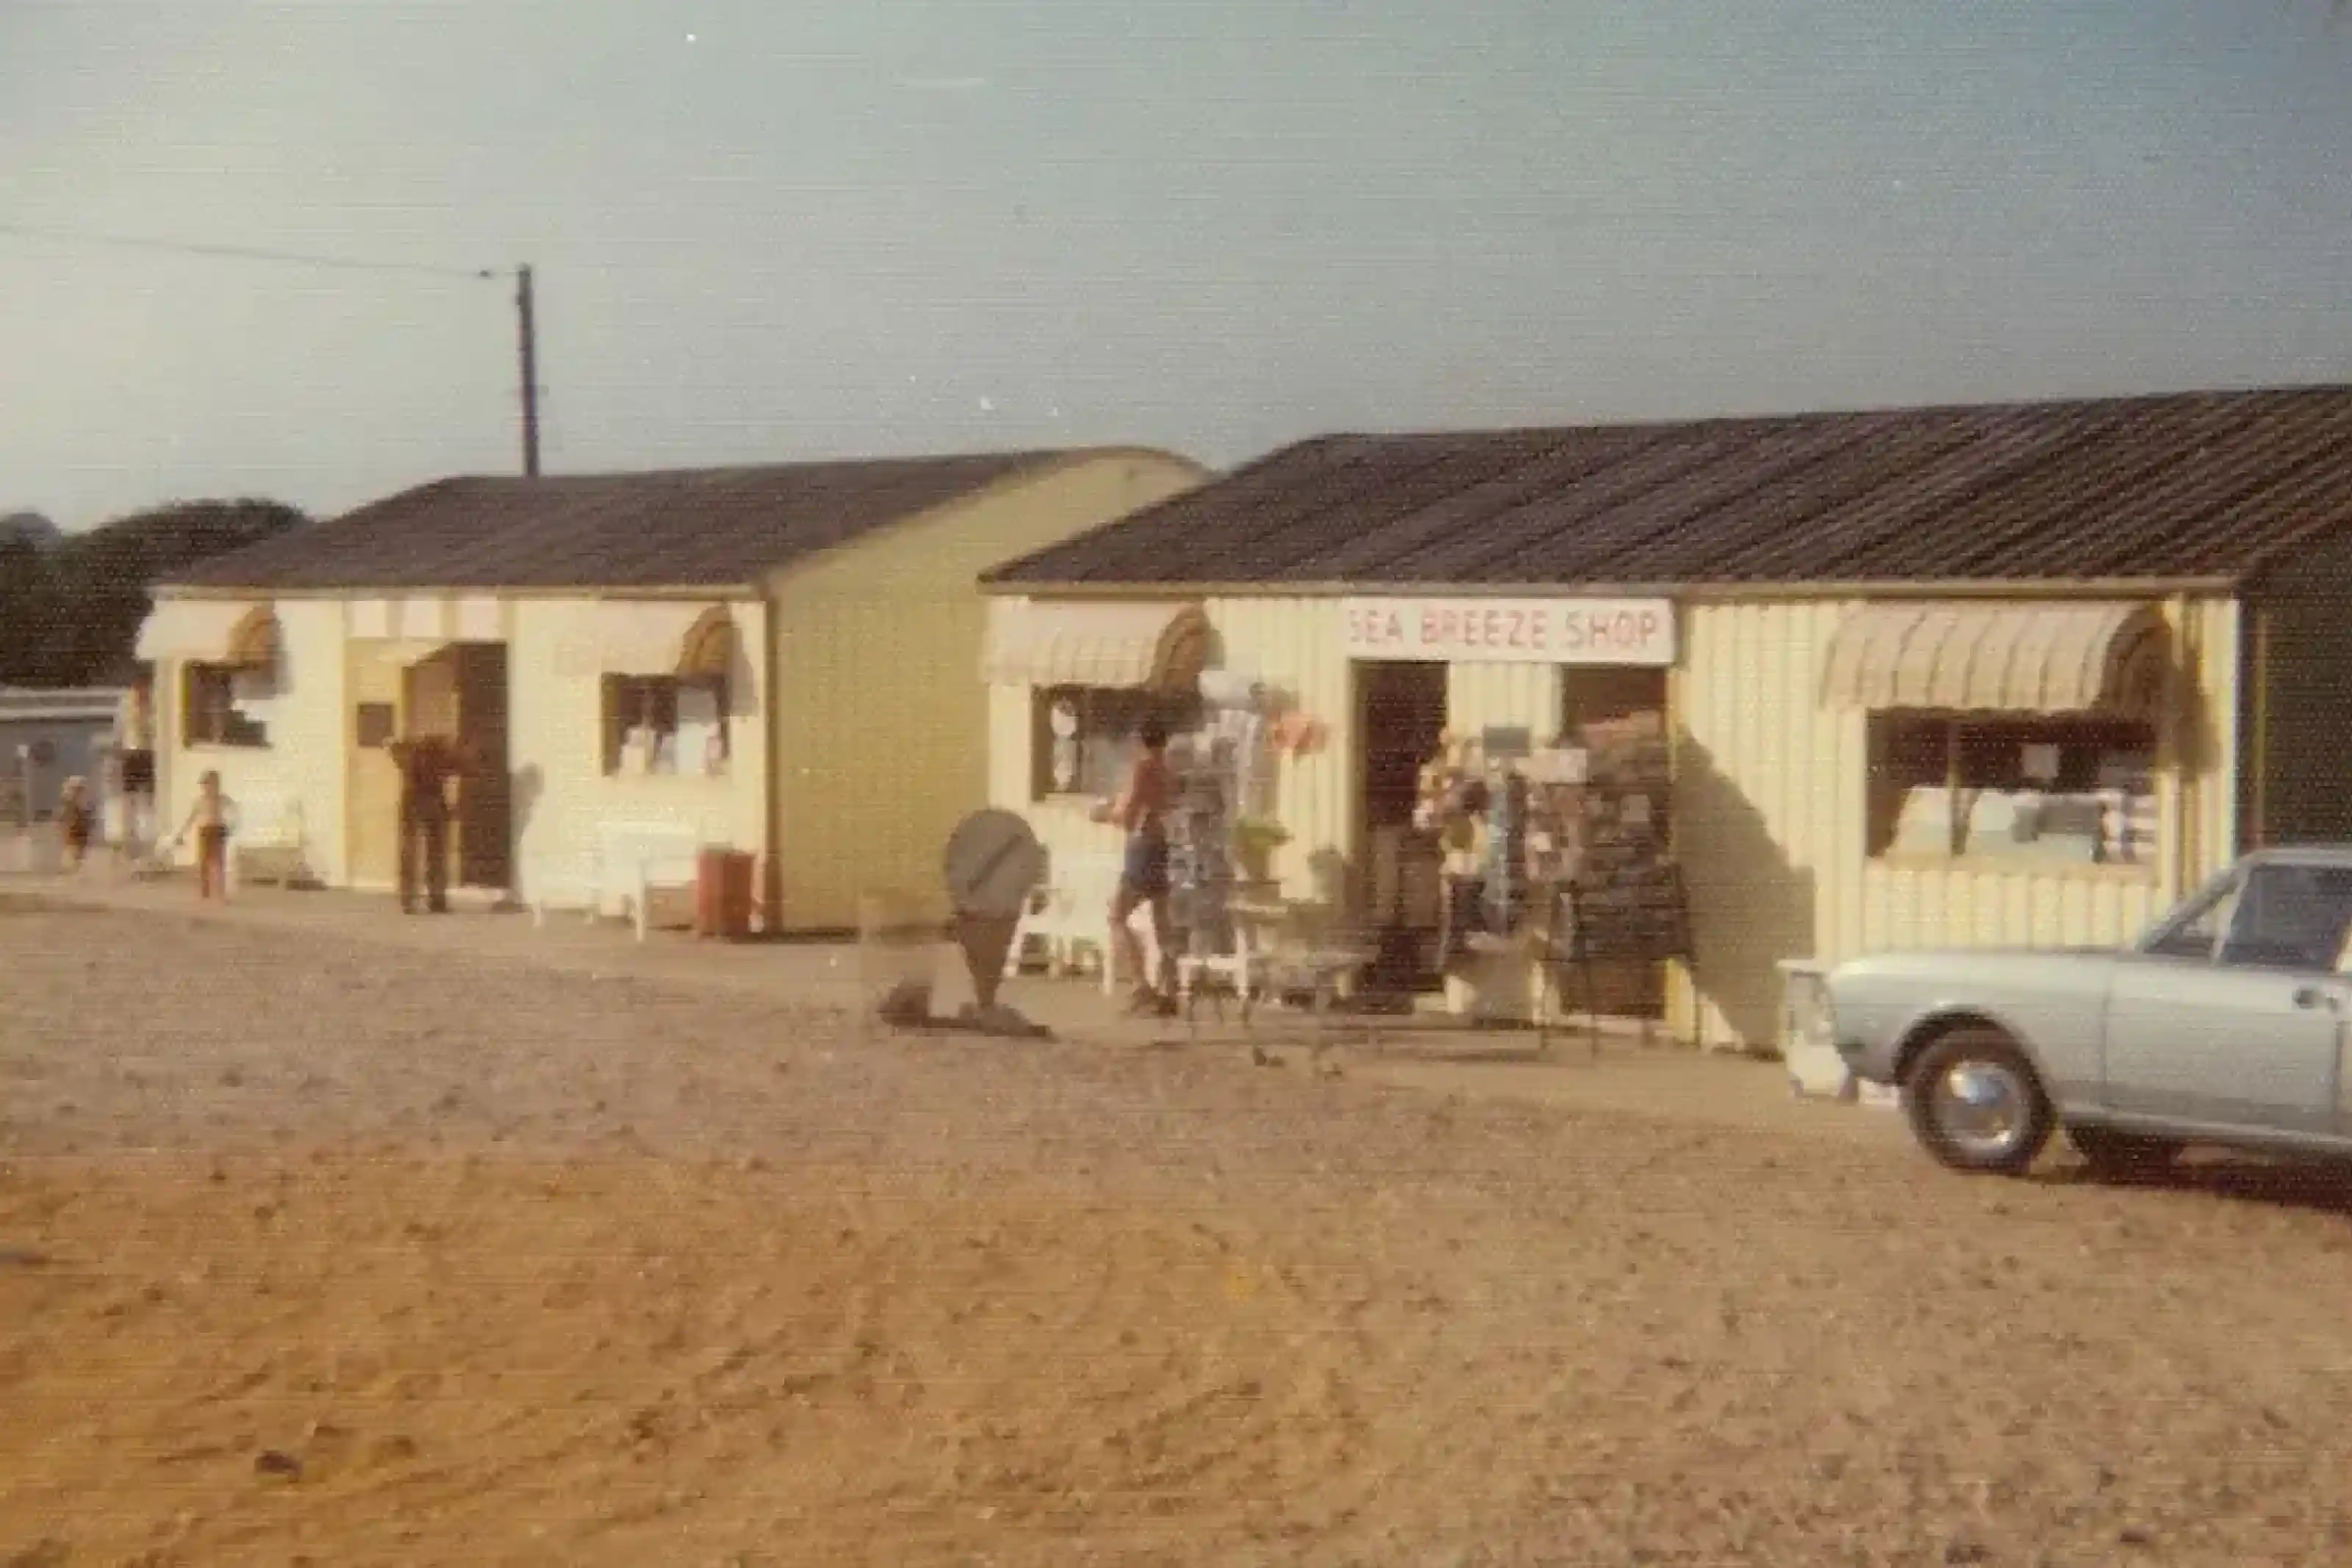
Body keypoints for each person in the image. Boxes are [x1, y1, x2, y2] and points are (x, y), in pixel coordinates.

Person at [1096, 714, 1178, 1015]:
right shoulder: (1168, 772)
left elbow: (1127, 814)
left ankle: (1140, 983)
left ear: (1140, 741)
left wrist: (1105, 813)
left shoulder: (1142, 769)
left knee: (1117, 915)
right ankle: (1170, 989)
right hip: (1162, 845)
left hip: (1142, 846)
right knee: (1162, 923)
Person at [387, 730, 465, 914]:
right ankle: (437, 899)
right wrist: (452, 805)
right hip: (434, 801)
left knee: (410, 851)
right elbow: (455, 773)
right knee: (436, 852)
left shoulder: (408, 751)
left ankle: (409, 899)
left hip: (413, 801)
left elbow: (394, 753)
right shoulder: (444, 754)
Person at [173, 770, 234, 901]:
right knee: (204, 862)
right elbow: (191, 818)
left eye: (210, 784)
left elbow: (232, 813)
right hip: (206, 831)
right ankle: (205, 891)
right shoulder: (200, 801)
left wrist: (230, 827)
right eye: (205, 785)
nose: (207, 788)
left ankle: (220, 891)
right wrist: (181, 833)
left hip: (218, 830)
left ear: (217, 784)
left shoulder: (223, 799)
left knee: (219, 862)